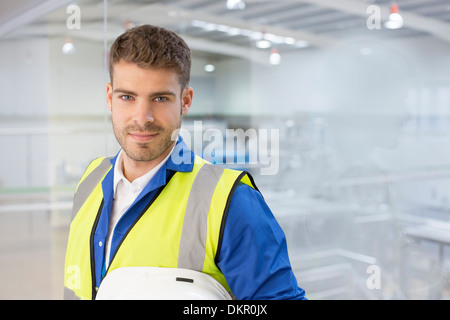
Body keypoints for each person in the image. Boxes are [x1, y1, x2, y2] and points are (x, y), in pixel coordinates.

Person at [63, 24, 306, 300]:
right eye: (127, 97)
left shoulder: (229, 200)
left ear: (185, 101)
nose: (142, 117)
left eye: (160, 98)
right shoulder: (92, 178)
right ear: (110, 97)